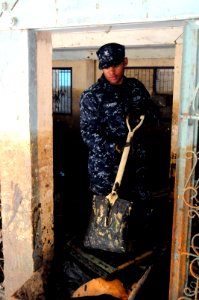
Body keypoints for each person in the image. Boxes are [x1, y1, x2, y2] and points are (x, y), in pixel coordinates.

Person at [80, 43, 159, 245]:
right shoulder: (92, 96)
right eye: (106, 66)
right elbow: (88, 133)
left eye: (115, 65)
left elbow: (153, 118)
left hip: (136, 165)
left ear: (125, 62)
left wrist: (145, 118)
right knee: (107, 214)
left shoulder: (136, 88)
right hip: (105, 169)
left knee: (139, 209)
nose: (111, 71)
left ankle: (138, 252)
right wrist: (113, 147)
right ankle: (105, 251)